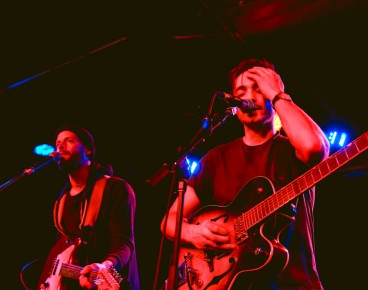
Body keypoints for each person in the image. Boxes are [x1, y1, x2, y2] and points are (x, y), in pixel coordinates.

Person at [160, 57, 330, 289]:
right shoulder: (216, 158)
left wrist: (278, 94)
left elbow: (314, 148)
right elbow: (170, 221)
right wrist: (192, 233)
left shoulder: (293, 148)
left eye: (258, 89)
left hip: (293, 283)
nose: (249, 97)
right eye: (242, 91)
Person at [37, 125, 140, 290]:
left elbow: (124, 243)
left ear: (88, 149)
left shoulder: (115, 189)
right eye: (58, 143)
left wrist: (104, 268)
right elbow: (67, 256)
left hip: (109, 281)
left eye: (69, 141)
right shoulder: (62, 200)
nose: (60, 146)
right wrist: (49, 280)